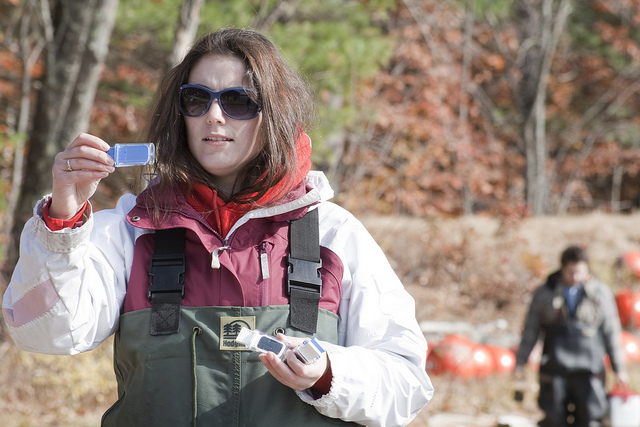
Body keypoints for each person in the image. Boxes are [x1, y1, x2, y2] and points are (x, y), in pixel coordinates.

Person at [2, 28, 433, 426]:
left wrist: (328, 375)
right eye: (196, 99)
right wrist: (62, 222)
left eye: (237, 101)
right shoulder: (132, 230)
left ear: (275, 114)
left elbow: (406, 384)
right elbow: (44, 332)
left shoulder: (334, 236)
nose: (213, 115)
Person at [514, 245, 629, 427]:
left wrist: (619, 369)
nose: (575, 277)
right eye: (570, 272)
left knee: (591, 418)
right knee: (553, 419)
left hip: (590, 370)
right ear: (562, 269)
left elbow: (611, 332)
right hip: (554, 369)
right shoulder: (545, 293)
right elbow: (530, 330)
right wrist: (520, 361)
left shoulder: (600, 294)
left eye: (579, 272)